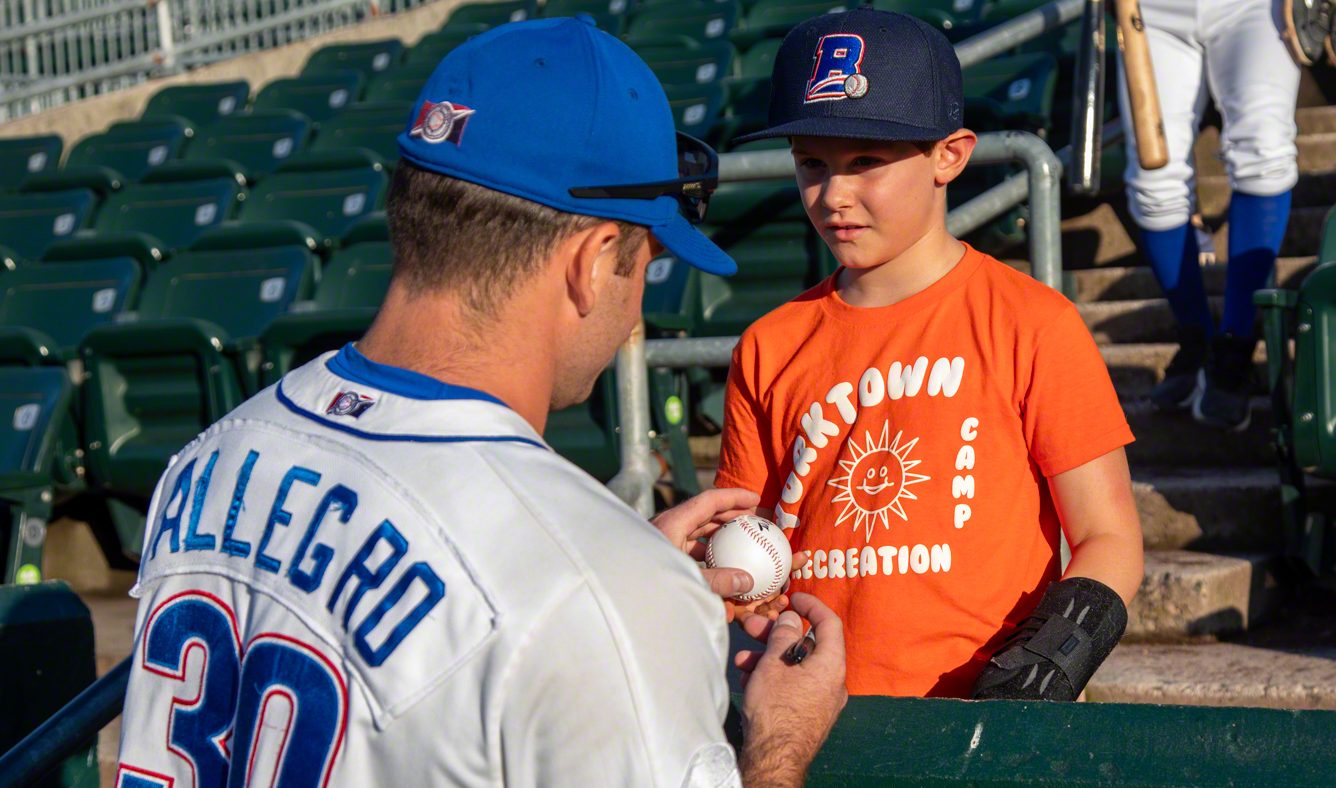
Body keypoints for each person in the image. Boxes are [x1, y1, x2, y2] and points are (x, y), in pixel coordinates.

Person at [114, 17, 846, 788]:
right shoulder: (598, 593)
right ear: (594, 263)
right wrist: (777, 745)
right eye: (645, 265)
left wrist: (621, 585)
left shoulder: (210, 457)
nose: (635, 314)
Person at [715, 8, 1144, 700]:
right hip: (814, 713)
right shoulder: (770, 343)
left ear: (950, 154)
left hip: (979, 714)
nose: (835, 196)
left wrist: (1054, 660)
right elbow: (748, 544)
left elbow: (1108, 534)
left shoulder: (1032, 321)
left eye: (866, 164)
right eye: (811, 164)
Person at [1125, 0, 1299, 430]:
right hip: (1151, 9)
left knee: (1264, 151)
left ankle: (1237, 344)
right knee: (1154, 184)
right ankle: (1198, 339)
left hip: (1256, 6)